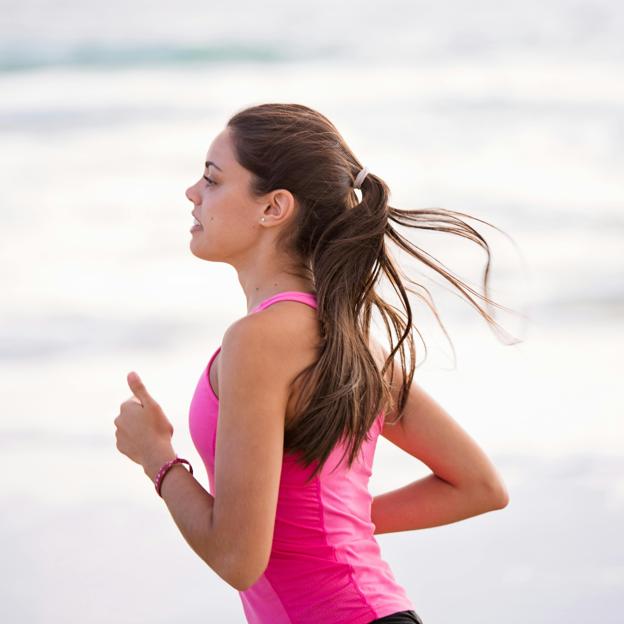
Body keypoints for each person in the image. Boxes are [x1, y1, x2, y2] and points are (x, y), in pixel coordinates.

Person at [120, 102, 516, 624]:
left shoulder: (259, 340)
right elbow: (478, 485)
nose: (193, 192)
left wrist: (158, 458)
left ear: (273, 207)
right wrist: (334, 528)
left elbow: (237, 559)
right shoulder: (347, 337)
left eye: (213, 180)